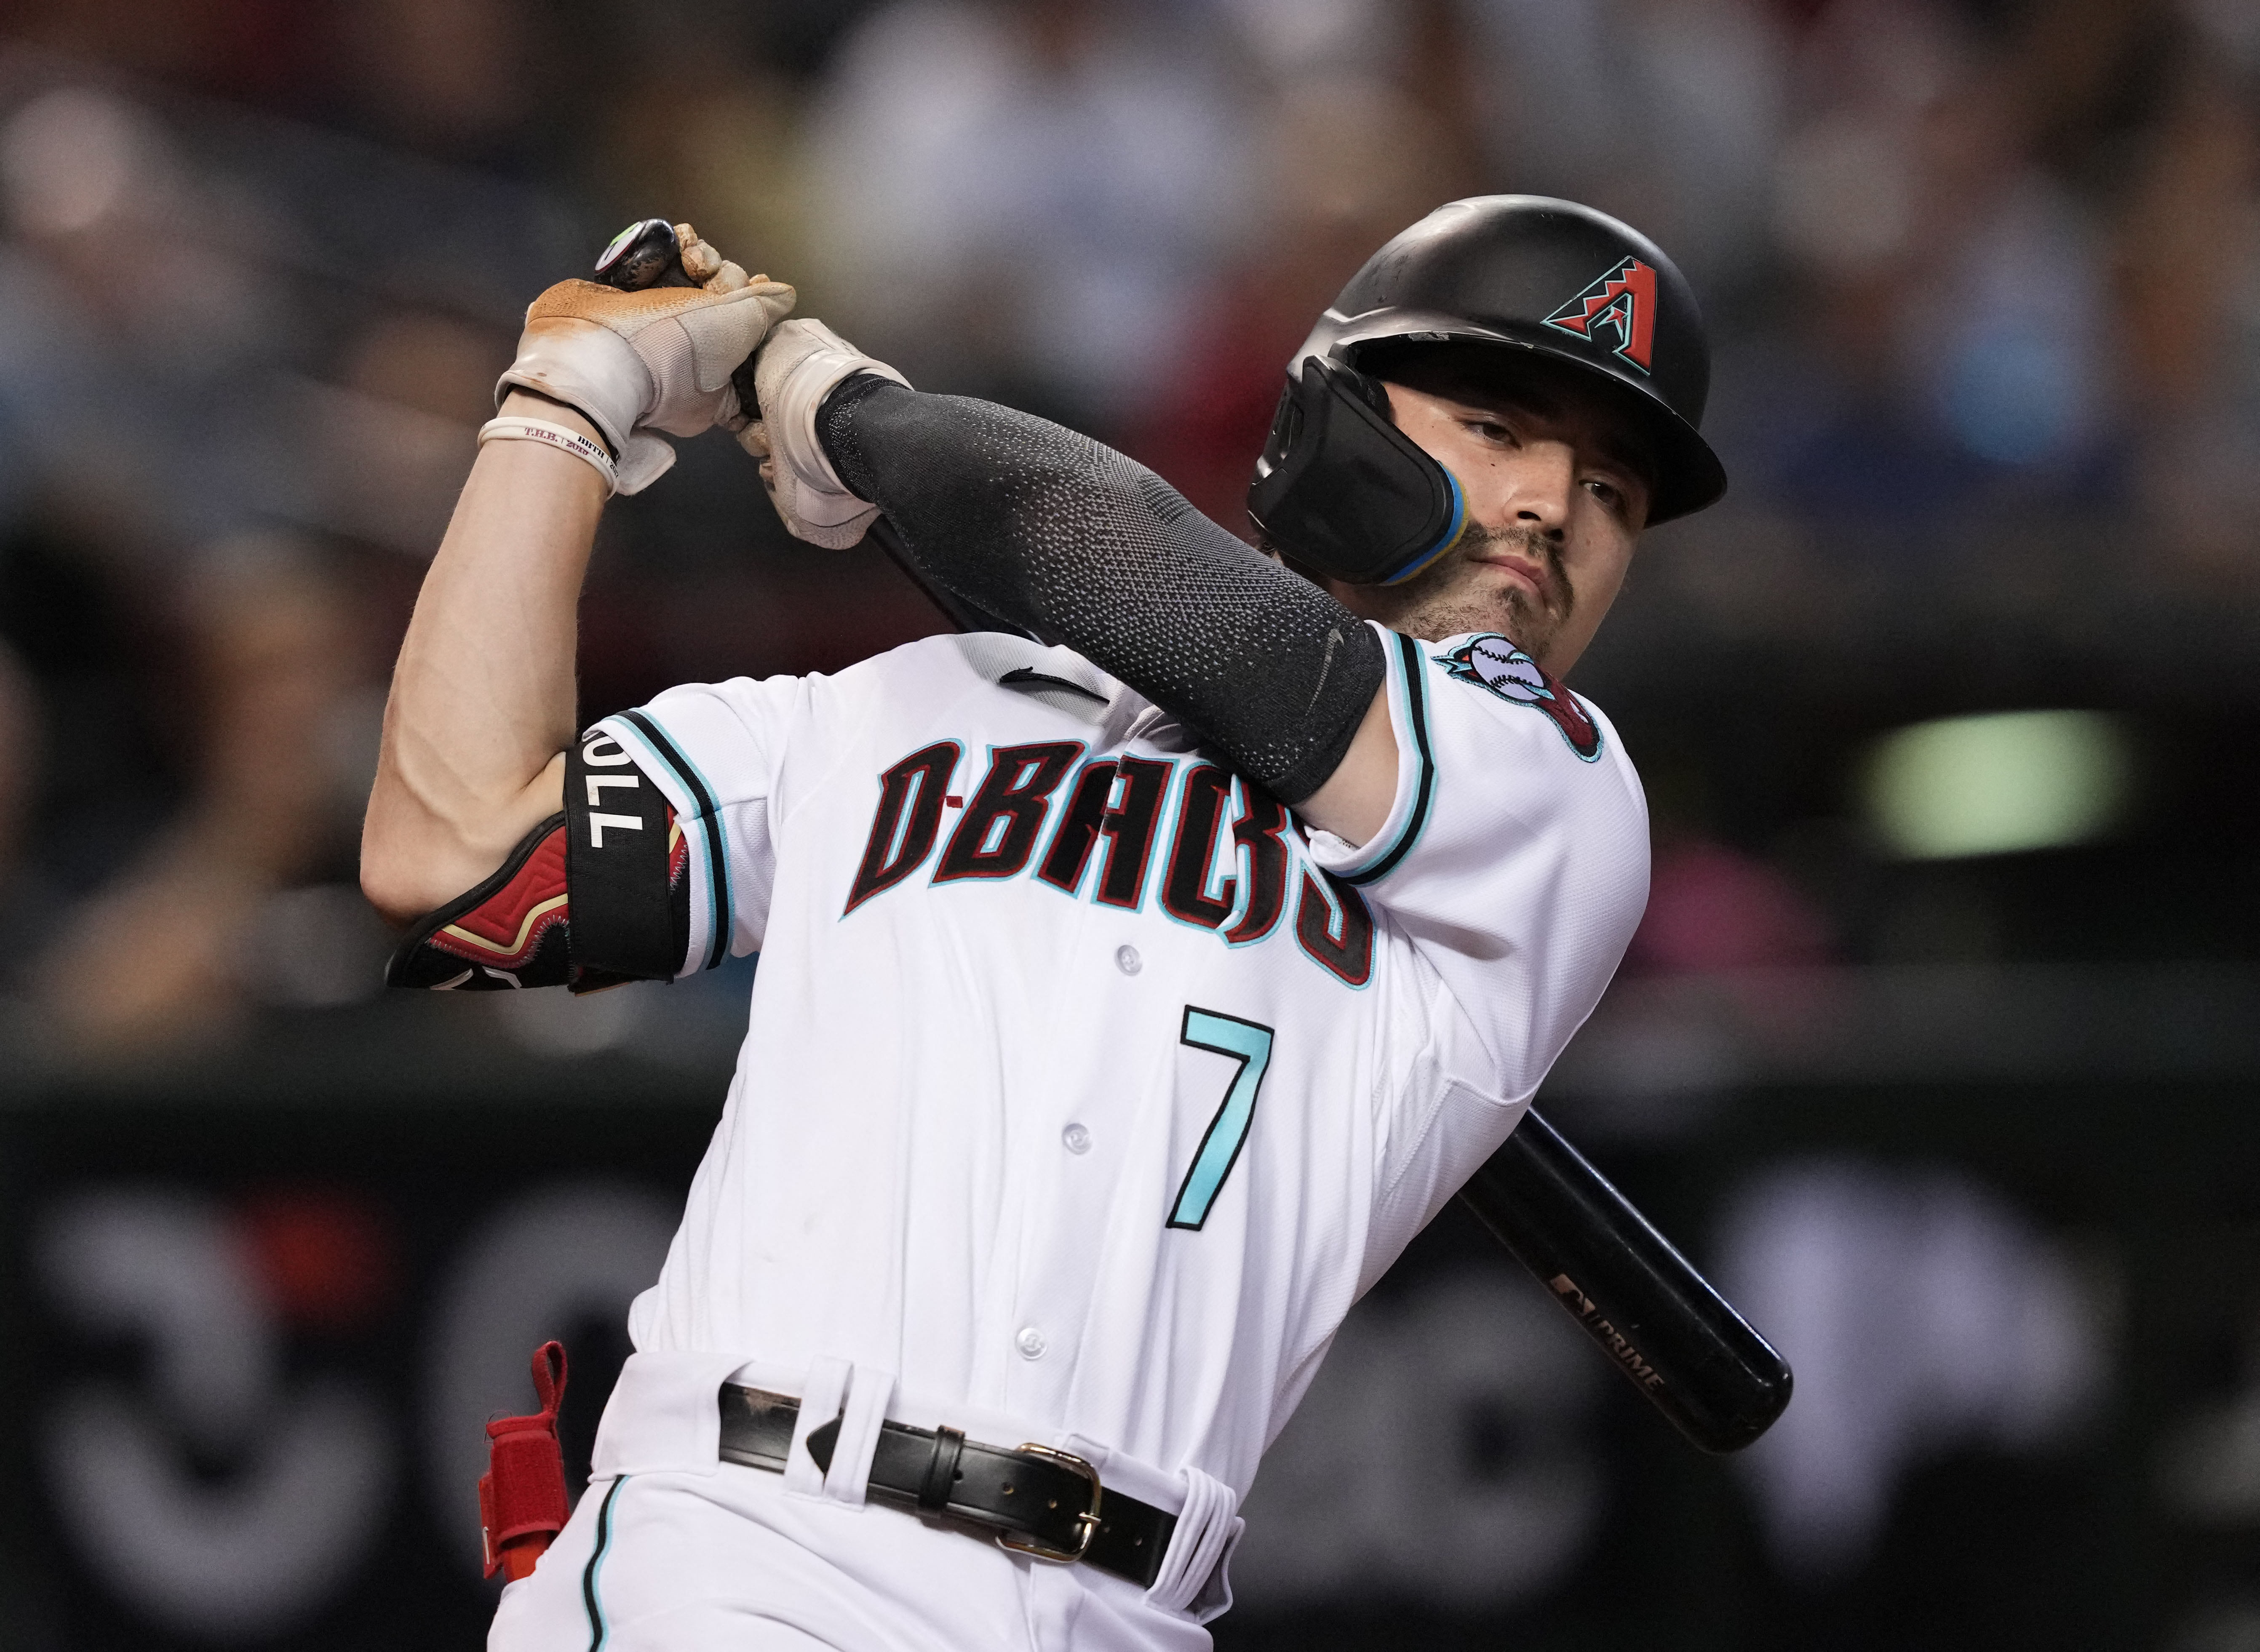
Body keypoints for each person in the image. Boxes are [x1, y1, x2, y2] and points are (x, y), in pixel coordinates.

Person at [361, 195, 1727, 1651]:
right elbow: (464, 855)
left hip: (1122, 1607)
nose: (1551, 507)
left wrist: (840, 407)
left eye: (1613, 494)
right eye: (1500, 426)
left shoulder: (1552, 801)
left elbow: (1157, 583)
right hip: (747, 1551)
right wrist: (564, 406)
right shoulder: (916, 702)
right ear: (1341, 418)